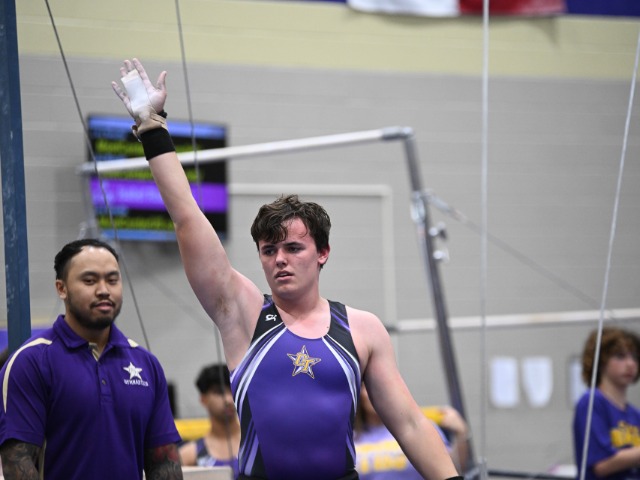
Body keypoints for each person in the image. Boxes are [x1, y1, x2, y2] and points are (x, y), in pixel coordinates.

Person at [112, 58, 460, 480]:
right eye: (269, 250)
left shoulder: (362, 329)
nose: (279, 259)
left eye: (294, 248)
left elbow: (409, 424)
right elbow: (187, 217)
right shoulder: (241, 312)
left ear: (323, 252)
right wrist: (152, 128)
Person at [0, 239, 183, 480]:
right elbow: (17, 464)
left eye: (112, 280)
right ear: (62, 288)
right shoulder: (31, 362)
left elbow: (164, 463)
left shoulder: (146, 365)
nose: (104, 290)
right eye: (90, 280)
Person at [355, 384, 470, 479]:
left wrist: (461, 435)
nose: (375, 393)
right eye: (368, 388)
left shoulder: (421, 427)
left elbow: (452, 467)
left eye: (381, 387)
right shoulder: (349, 437)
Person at [573, 327, 640, 480]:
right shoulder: (591, 403)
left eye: (635, 357)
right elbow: (601, 465)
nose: (630, 363)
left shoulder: (635, 415)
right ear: (601, 361)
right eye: (620, 356)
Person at [179, 363, 240, 476]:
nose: (228, 400)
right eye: (219, 392)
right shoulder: (189, 456)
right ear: (203, 399)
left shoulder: (257, 444)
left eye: (232, 390)